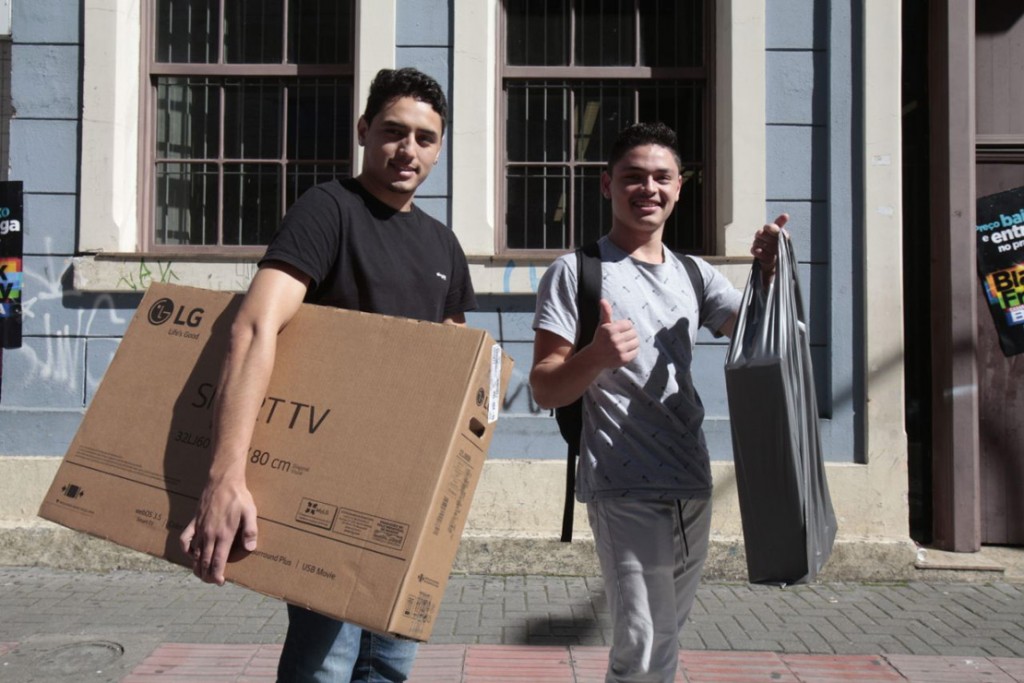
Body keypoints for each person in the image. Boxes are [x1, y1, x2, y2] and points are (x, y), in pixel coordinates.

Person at [178, 67, 476, 683]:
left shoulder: (444, 245)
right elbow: (255, 327)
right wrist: (224, 475)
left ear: (440, 148)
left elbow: (452, 374)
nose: (408, 150)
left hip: (406, 495)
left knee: (391, 665)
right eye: (394, 131)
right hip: (329, 488)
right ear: (365, 130)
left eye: (425, 138)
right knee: (327, 667)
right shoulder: (328, 210)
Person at [529, 122, 784, 683]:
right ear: (607, 186)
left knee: (664, 634)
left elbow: (768, 340)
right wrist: (594, 357)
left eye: (661, 177)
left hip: (691, 481)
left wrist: (770, 273)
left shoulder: (695, 274)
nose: (648, 188)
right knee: (643, 641)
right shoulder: (576, 272)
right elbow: (545, 385)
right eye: (633, 177)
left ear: (679, 187)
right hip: (621, 484)